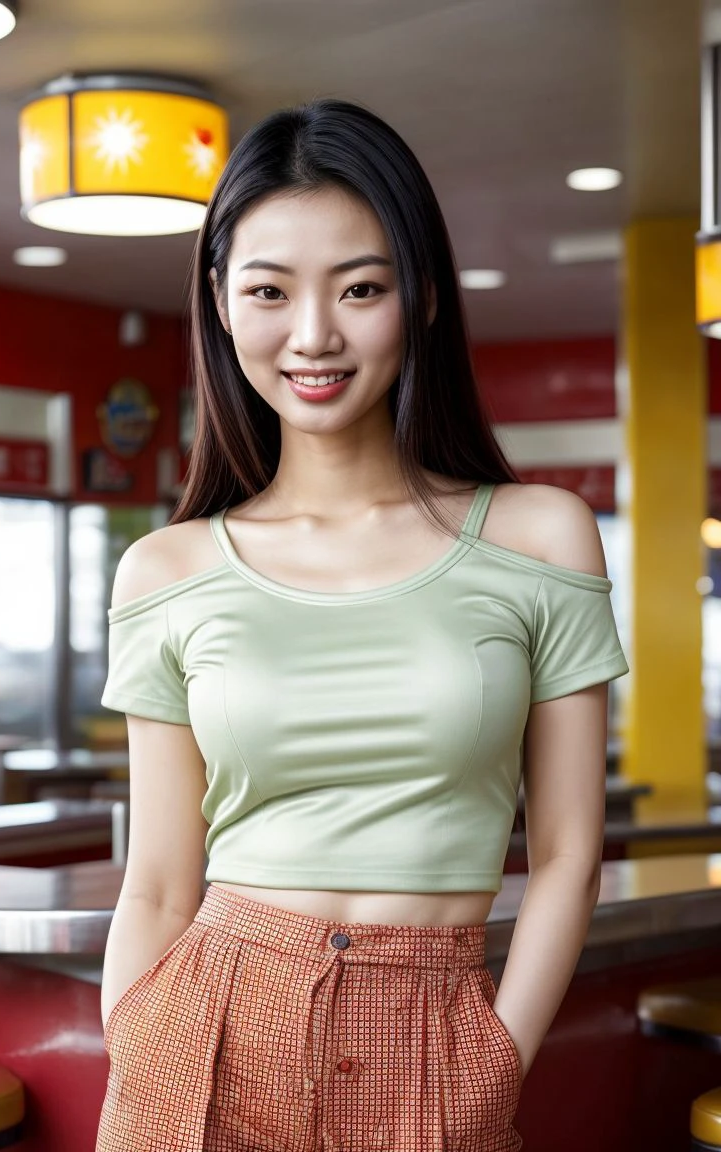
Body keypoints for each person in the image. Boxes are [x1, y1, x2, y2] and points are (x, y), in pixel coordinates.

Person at [94, 98, 629, 1152]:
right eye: (269, 291)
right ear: (220, 303)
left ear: (422, 298)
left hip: (436, 1039)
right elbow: (158, 880)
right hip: (203, 1034)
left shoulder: (539, 538)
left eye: (361, 288)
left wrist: (494, 1060)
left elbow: (568, 853)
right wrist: (139, 1046)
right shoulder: (168, 568)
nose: (313, 335)